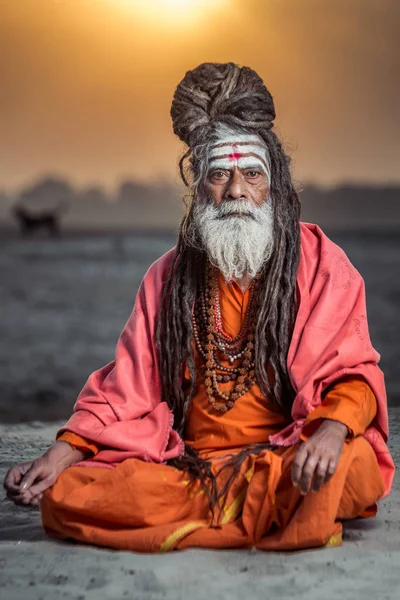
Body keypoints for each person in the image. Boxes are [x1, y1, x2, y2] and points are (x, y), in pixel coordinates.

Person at [4, 62, 394, 552]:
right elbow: (124, 391)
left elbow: (353, 376)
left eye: (252, 173)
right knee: (64, 494)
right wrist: (58, 456)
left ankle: (226, 515)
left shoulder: (320, 263)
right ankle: (249, 516)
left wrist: (330, 434)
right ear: (198, 188)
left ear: (276, 183)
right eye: (219, 174)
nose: (236, 190)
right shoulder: (167, 277)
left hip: (287, 455)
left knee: (353, 466)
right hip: (189, 467)